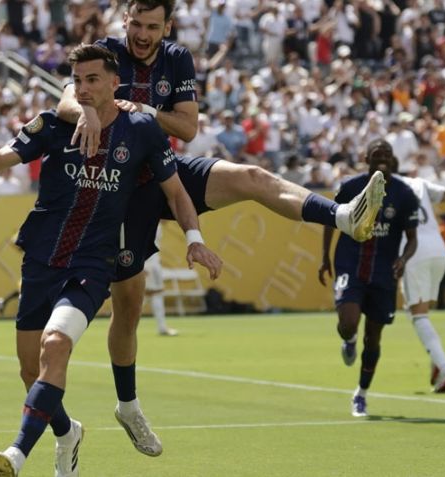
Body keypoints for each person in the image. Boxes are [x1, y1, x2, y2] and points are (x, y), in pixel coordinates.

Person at [56, 0, 386, 455]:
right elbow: (65, 99)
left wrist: (142, 109)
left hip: (165, 172)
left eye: (153, 26)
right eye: (137, 24)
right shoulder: (106, 51)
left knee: (251, 176)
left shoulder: (177, 58)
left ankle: (343, 216)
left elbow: (187, 128)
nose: (143, 34)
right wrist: (89, 110)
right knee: (128, 306)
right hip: (119, 187)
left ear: (168, 26)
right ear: (125, 20)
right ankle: (128, 405)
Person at [0, 44, 222, 477]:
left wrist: (195, 238)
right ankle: (67, 433)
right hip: (41, 258)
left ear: (114, 83)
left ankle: (16, 452)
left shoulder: (141, 129)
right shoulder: (54, 124)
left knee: (56, 344)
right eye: (77, 81)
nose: (84, 88)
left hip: (92, 263)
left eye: (93, 80)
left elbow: (177, 192)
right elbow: (1, 157)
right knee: (30, 370)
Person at [318, 140, 419, 417]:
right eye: (377, 154)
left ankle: (361, 394)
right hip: (349, 266)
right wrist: (325, 257)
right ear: (366, 159)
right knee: (348, 323)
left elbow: (412, 239)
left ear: (393, 159)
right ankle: (348, 339)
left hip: (383, 274)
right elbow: (330, 220)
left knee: (373, 338)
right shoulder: (350, 187)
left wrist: (403, 259)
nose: (382, 158)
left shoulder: (404, 194)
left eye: (387, 154)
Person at [397, 174, 445, 392]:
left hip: (413, 251)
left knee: (418, 315)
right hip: (438, 250)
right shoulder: (419, 183)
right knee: (419, 313)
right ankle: (436, 361)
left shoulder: (385, 187)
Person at [145, 223, 177, 336]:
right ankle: (162, 327)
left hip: (144, 263)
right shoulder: (152, 224)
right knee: (156, 294)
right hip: (151, 264)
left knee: (142, 295)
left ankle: (124, 327)